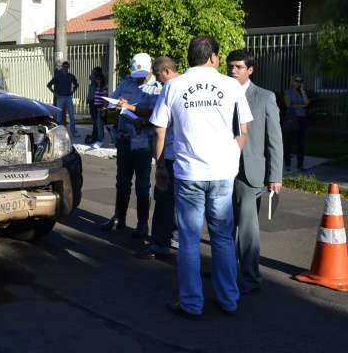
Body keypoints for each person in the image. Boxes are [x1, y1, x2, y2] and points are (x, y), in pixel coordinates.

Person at [150, 36, 253, 319]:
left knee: (189, 239)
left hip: (188, 173)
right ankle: (228, 299)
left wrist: (159, 167)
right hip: (222, 172)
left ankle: (191, 303)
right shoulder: (230, 85)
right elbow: (243, 128)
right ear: (213, 58)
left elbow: (159, 130)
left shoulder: (173, 86)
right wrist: (233, 154)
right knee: (221, 237)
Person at [226, 49, 283, 295]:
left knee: (247, 228)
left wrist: (275, 176)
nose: (233, 70)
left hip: (251, 172)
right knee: (224, 225)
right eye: (230, 66)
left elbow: (275, 139)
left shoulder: (264, 96)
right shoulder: (222, 92)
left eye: (238, 66)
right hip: (224, 168)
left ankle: (250, 278)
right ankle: (225, 271)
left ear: (250, 70)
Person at [101, 52, 161, 238]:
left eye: (142, 74)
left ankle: (142, 225)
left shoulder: (156, 89)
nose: (138, 79)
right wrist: (112, 107)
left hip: (142, 142)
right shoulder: (127, 82)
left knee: (143, 184)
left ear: (150, 68)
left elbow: (155, 113)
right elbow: (115, 100)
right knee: (122, 180)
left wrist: (131, 109)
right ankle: (119, 218)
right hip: (124, 138)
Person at [136, 56, 181, 260]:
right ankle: (176, 238)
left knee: (163, 197)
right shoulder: (192, 86)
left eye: (160, 76)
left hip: (170, 153)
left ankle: (159, 244)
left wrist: (159, 163)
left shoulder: (169, 89)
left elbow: (159, 130)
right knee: (183, 201)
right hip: (189, 156)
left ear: (166, 72)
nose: (160, 81)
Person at [283, 74, 309, 171]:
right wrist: (302, 106)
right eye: (296, 81)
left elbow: (307, 103)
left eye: (300, 81)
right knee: (288, 142)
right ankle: (288, 164)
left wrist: (302, 90)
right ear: (292, 81)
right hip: (292, 118)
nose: (298, 83)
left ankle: (300, 164)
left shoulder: (302, 92)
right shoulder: (287, 91)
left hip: (302, 119)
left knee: (301, 143)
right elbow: (288, 104)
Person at [47, 61, 79, 137]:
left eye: (67, 66)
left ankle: (73, 132)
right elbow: (49, 85)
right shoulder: (58, 76)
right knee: (59, 116)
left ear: (69, 67)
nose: (65, 68)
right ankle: (59, 132)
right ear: (62, 67)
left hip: (68, 98)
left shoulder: (71, 76)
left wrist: (72, 92)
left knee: (71, 115)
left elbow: (76, 85)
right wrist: (55, 94)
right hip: (60, 98)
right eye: (64, 66)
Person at [90, 71, 108, 148]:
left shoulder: (104, 87)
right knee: (97, 124)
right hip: (96, 107)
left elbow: (105, 99)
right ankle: (99, 139)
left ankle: (101, 140)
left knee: (100, 125)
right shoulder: (97, 87)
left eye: (98, 79)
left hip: (100, 108)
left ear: (101, 79)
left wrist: (103, 109)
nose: (97, 80)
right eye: (96, 79)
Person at [86, 66, 104, 144]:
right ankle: (95, 135)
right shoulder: (93, 81)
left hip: (95, 103)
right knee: (94, 120)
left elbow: (90, 77)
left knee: (96, 120)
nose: (91, 73)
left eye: (93, 72)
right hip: (91, 101)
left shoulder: (98, 80)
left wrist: (93, 76)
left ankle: (96, 136)